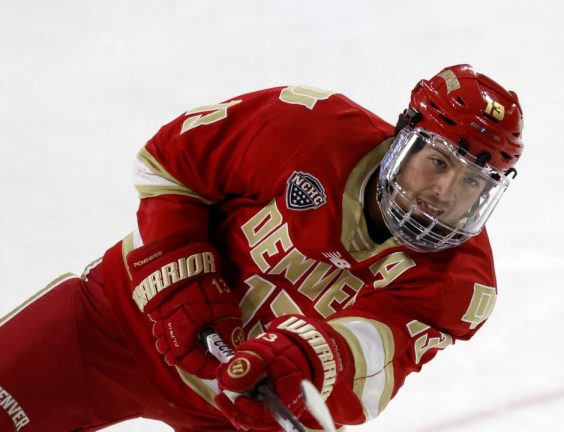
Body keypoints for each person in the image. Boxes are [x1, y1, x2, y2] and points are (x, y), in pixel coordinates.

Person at [0, 64, 524, 431]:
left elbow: (370, 362)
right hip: (117, 322)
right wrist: (180, 277)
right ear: (403, 136)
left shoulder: (461, 285)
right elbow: (170, 162)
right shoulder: (304, 126)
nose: (445, 194)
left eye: (474, 183)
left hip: (243, 414)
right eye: (438, 162)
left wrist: (303, 364)